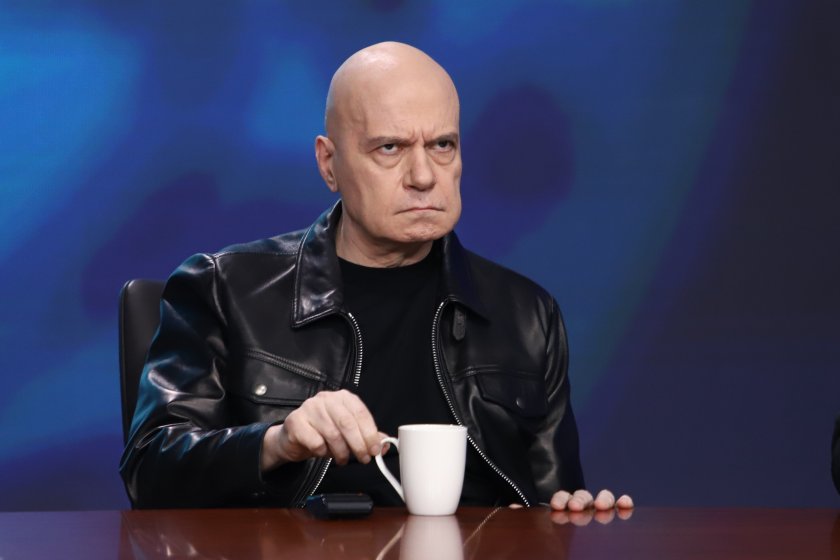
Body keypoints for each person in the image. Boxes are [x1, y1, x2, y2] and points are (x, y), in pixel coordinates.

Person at [120, 41, 633, 513]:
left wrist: (573, 514)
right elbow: (151, 467)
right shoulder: (223, 289)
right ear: (329, 163)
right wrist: (277, 443)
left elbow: (549, 499)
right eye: (390, 148)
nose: (424, 176)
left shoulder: (527, 315)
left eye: (442, 145)